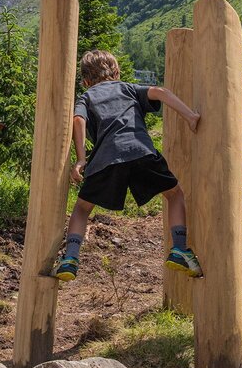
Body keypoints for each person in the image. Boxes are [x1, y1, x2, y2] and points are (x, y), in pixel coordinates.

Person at [54, 50, 204, 282]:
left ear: (85, 81)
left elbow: (78, 120)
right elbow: (161, 93)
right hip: (139, 151)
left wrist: (81, 159)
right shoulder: (127, 88)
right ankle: (180, 249)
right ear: (116, 72)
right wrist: (190, 117)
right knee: (174, 195)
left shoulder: (86, 97)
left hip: (105, 160)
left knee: (82, 208)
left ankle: (70, 259)